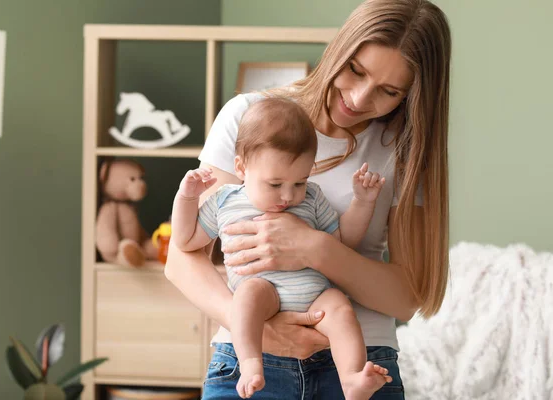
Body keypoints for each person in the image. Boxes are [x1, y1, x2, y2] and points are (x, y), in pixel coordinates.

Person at [165, 0, 451, 398]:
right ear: (341, 48)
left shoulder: (403, 152)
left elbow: (406, 299)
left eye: (388, 91)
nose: (358, 97)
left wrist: (314, 248)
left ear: (410, 95)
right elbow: (182, 258)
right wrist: (263, 329)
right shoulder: (249, 117)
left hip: (360, 362)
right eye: (355, 70)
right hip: (252, 361)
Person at [172, 97, 391, 399]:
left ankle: (352, 379)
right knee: (246, 297)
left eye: (299, 182)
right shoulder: (225, 200)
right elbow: (185, 240)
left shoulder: (312, 199)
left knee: (341, 307)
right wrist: (186, 198)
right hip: (266, 291)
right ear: (241, 167)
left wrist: (363, 202)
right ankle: (250, 363)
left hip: (315, 296)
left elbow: (343, 241)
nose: (288, 196)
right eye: (275, 185)